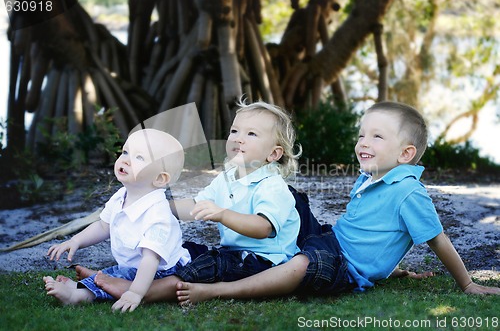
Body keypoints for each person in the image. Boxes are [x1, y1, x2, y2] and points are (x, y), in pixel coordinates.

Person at [170, 101, 500, 304]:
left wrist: (467, 283)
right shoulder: (373, 179)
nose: (363, 143)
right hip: (329, 240)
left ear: (405, 154)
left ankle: (219, 290)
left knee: (301, 266)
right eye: (361, 135)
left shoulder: (409, 193)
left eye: (376, 137)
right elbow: (371, 234)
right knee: (294, 201)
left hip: (342, 267)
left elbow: (437, 239)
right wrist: (394, 270)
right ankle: (256, 229)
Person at [75, 98, 303, 306]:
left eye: (251, 134)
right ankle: (128, 277)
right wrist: (156, 205)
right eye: (234, 131)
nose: (238, 138)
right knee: (184, 254)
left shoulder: (272, 186)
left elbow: (262, 228)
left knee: (202, 267)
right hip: (233, 254)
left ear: (273, 154)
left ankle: (138, 290)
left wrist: (222, 214)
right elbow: (195, 205)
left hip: (264, 261)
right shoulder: (228, 178)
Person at [43, 128, 191, 312]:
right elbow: (103, 226)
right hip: (134, 265)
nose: (126, 160)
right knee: (120, 272)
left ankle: (78, 295)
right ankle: (92, 282)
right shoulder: (121, 196)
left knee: (123, 277)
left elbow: (150, 260)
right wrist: (76, 241)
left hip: (160, 272)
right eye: (125, 152)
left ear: (160, 178)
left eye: (139, 158)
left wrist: (135, 293)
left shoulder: (157, 214)